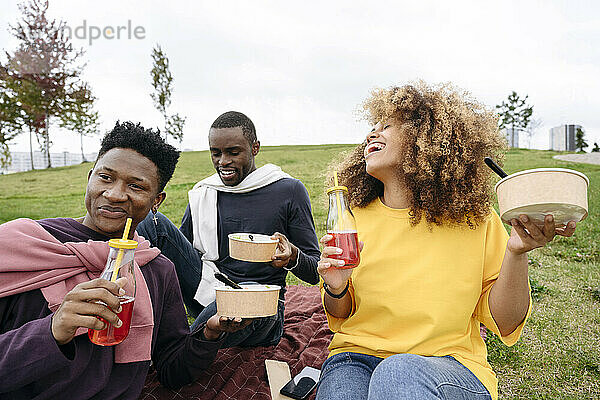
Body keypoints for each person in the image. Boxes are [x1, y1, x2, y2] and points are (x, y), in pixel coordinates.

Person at [315, 82, 578, 400]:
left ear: (427, 141)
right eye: (371, 127)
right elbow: (339, 315)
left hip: (450, 366)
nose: (372, 133)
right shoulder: (349, 218)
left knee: (398, 373)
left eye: (387, 126)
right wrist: (337, 286)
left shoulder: (475, 219)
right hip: (354, 359)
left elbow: (506, 322)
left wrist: (516, 252)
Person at [0, 121, 249, 399]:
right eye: (105, 177)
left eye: (136, 186)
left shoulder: (157, 270)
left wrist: (209, 335)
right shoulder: (19, 246)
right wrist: (52, 329)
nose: (115, 194)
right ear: (90, 177)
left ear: (157, 201)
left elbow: (171, 370)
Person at [136, 111, 320, 348]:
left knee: (240, 302)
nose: (223, 161)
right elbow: (179, 255)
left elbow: (314, 272)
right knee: (153, 221)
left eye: (233, 152)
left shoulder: (288, 190)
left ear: (255, 148)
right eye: (216, 153)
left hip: (259, 304)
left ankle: (180, 351)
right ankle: (134, 317)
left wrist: (292, 256)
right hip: (209, 288)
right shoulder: (206, 192)